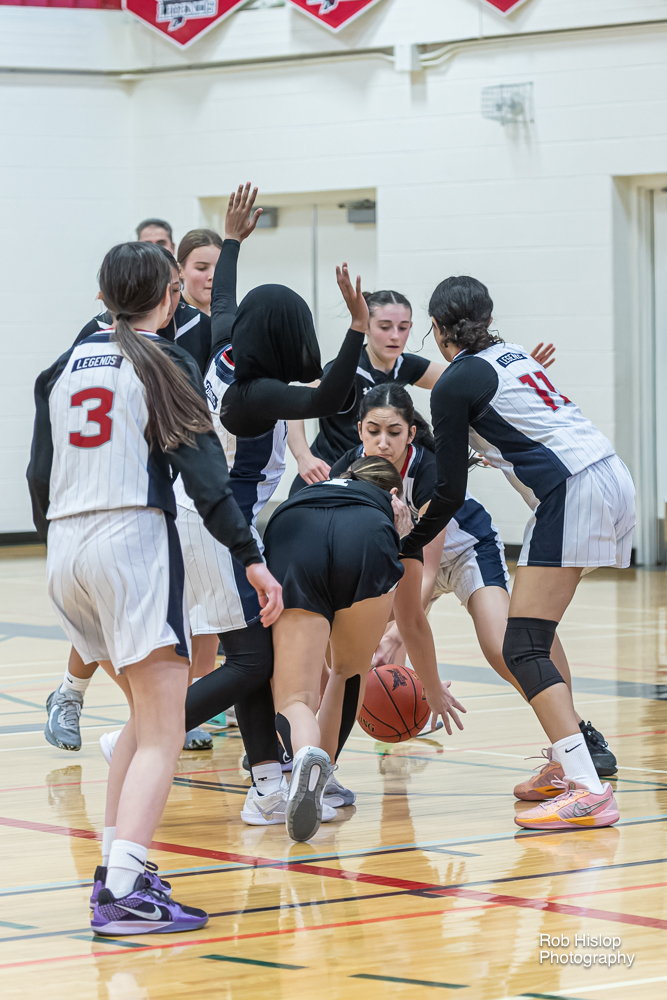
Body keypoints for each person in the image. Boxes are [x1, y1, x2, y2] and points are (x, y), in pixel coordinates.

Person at [27, 240, 282, 934]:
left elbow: (37, 476)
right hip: (131, 540)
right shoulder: (166, 360)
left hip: (64, 548)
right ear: (170, 296)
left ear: (103, 296)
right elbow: (205, 475)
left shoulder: (59, 367)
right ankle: (122, 894)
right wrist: (249, 555)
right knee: (166, 730)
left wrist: (63, 540)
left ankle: (119, 870)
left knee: (145, 719)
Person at [399, 275, 635, 831]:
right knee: (536, 636)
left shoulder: (455, 383)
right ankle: (568, 761)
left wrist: (408, 543)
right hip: (609, 473)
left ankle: (588, 789)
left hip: (572, 490)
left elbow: (448, 492)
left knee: (522, 644)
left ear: (435, 328)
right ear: (487, 318)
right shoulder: (514, 355)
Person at [175, 191, 374, 825]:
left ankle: (267, 782)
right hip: (219, 526)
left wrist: (233, 241)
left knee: (256, 656)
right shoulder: (253, 396)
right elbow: (327, 398)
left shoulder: (226, 348)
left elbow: (224, 302)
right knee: (253, 659)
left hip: (213, 520)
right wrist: (356, 328)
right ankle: (147, 732)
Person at [345, 384, 616, 774]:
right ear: (360, 430)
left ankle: (575, 732)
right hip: (405, 562)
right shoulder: (352, 469)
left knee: (505, 646)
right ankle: (301, 743)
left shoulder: (429, 470)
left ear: (411, 433)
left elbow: (428, 572)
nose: (383, 442)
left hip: (464, 554)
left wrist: (393, 632)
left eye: (394, 432)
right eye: (373, 431)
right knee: (340, 632)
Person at [48, 246, 213, 753]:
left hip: (168, 481)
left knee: (194, 613)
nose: (206, 277)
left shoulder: (201, 330)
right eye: (200, 267)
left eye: (216, 267)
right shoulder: (97, 341)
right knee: (119, 603)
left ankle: (177, 710)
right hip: (122, 497)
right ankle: (76, 693)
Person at [265, 455, 463, 843]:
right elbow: (412, 621)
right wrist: (433, 687)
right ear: (395, 494)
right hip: (365, 533)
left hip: (291, 527)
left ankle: (304, 755)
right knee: (348, 670)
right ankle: (323, 777)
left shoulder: (311, 491)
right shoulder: (394, 515)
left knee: (295, 696)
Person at [287, 289, 445, 493]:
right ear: (366, 326)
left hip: (366, 479)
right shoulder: (348, 372)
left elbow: (461, 378)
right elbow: (293, 409)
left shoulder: (404, 365)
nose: (395, 336)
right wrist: (304, 458)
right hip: (327, 477)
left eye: (403, 327)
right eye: (385, 327)